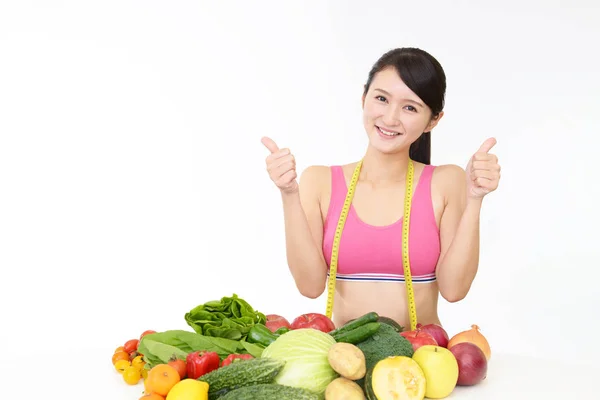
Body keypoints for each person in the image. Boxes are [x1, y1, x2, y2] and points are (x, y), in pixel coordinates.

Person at [261, 47, 501, 330]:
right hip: (345, 362)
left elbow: (454, 290)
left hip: (423, 360)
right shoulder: (320, 181)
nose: (389, 118)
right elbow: (310, 286)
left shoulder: (446, 182)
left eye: (410, 107)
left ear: (433, 121)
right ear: (364, 98)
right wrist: (289, 194)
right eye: (381, 99)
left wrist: (475, 199)